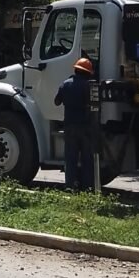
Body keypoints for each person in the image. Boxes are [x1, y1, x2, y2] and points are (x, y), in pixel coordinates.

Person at [54, 57, 94, 191]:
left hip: (69, 125)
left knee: (70, 157)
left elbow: (57, 102)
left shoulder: (65, 84)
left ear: (76, 69)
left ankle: (70, 185)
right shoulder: (88, 85)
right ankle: (87, 186)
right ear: (87, 72)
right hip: (85, 126)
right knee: (87, 158)